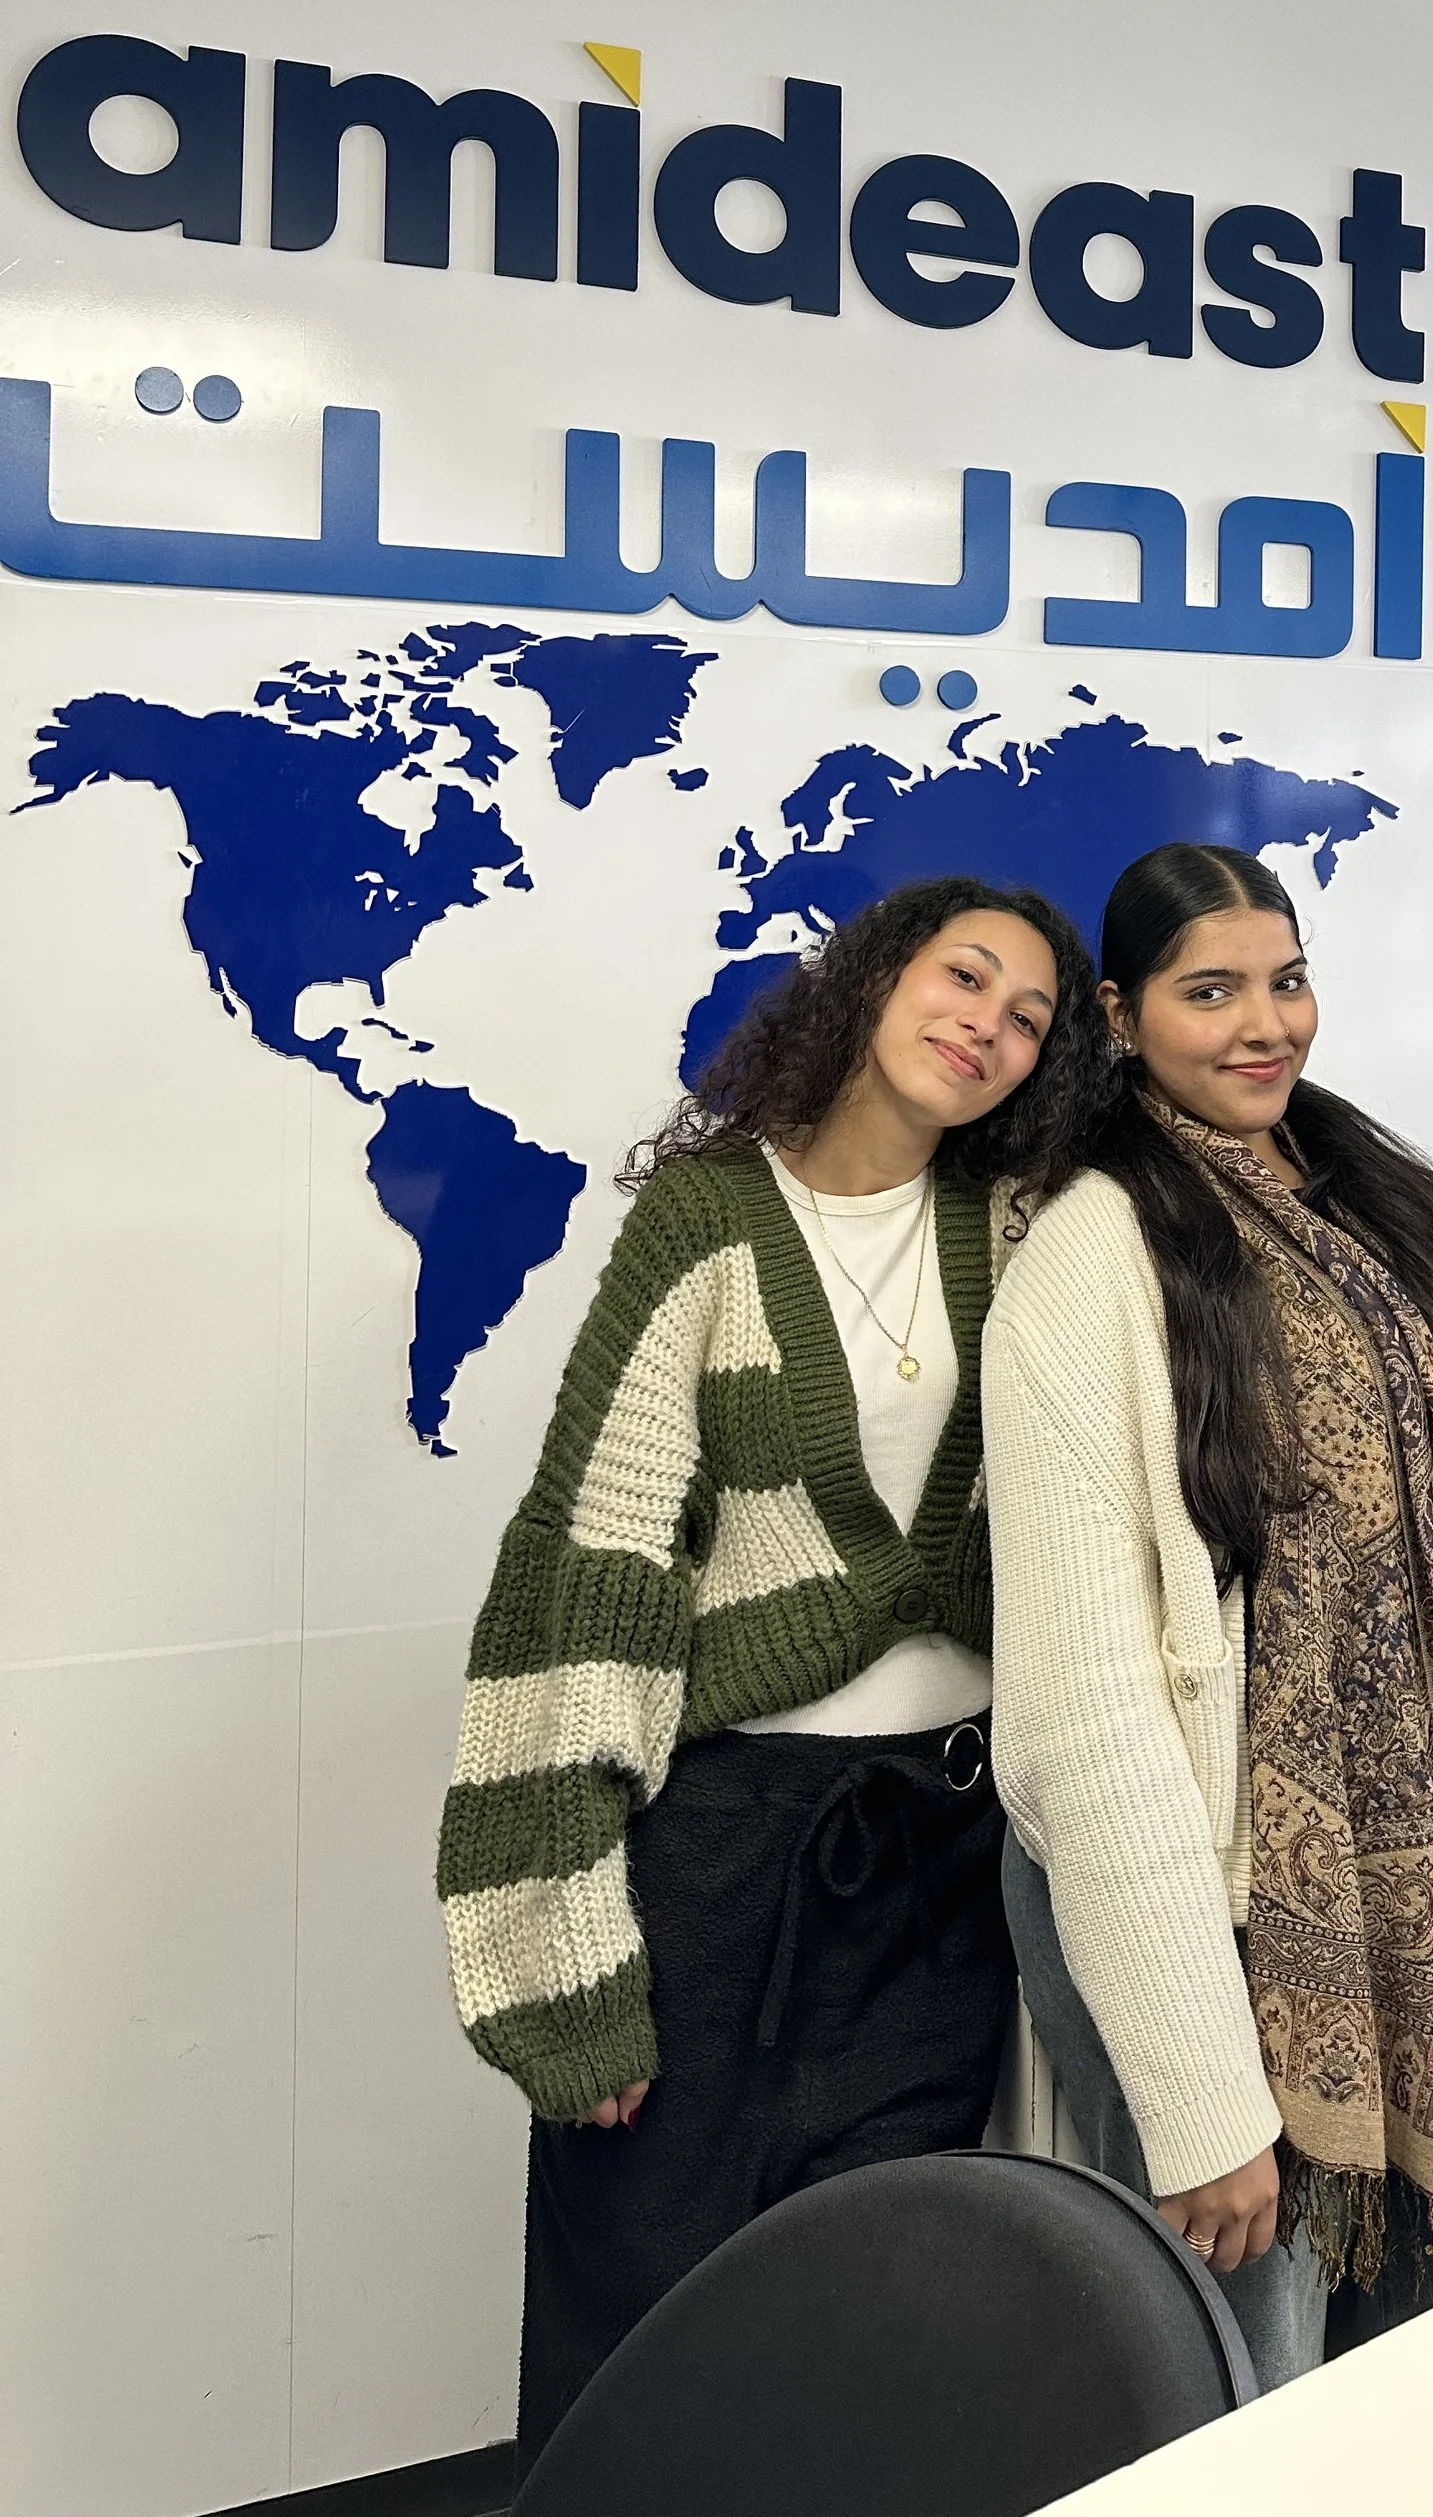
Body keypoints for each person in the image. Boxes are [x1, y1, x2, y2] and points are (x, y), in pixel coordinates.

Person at [435, 875, 1106, 2466]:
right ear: (875, 976)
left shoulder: (1025, 1226)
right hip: (726, 1860)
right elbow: (589, 1577)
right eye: (964, 977)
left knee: (877, 2322)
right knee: (647, 2324)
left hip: (939, 1856)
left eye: (1030, 1018)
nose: (988, 1027)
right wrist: (562, 1961)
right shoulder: (711, 1222)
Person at [982, 841, 1433, 2392]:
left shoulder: (1376, 1200)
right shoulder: (1090, 1253)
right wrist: (1200, 2095)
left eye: (1286, 981)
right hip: (1222, 1918)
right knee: (1253, 2395)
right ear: (1120, 1014)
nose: (1264, 1024)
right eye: (1210, 991)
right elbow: (1085, 1716)